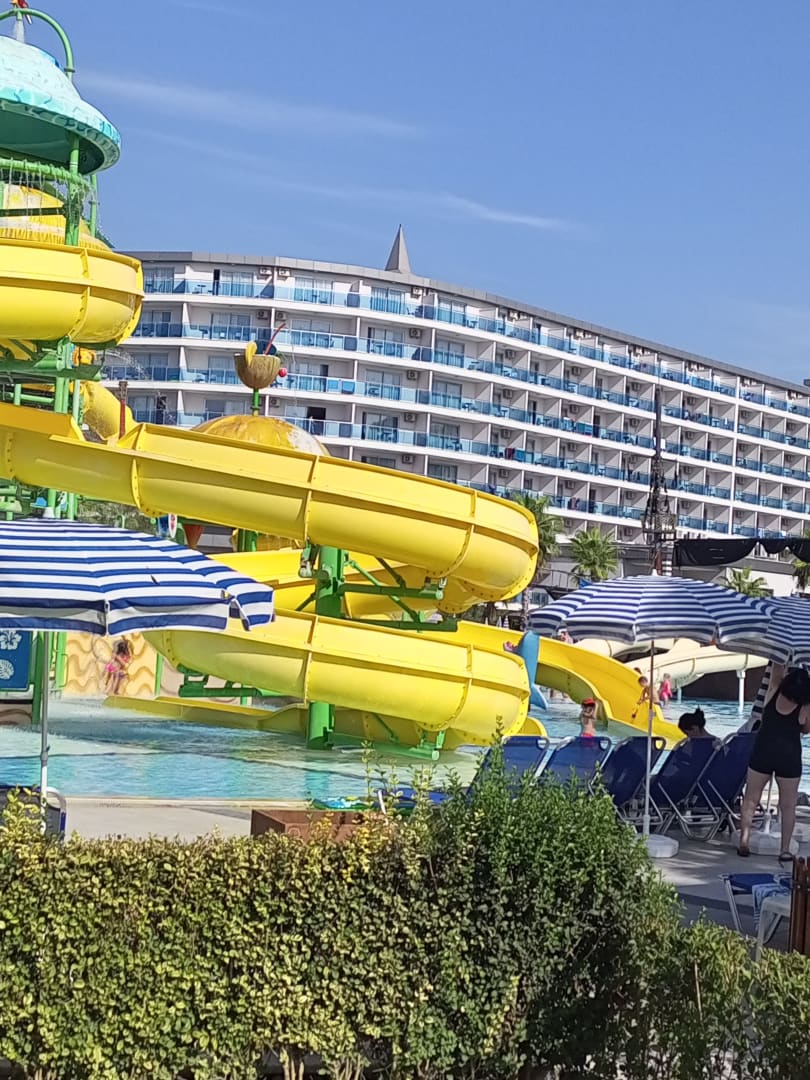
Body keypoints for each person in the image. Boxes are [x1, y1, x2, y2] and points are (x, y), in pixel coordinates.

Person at [737, 664, 810, 862]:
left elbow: (777, 668)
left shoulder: (773, 690)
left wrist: (781, 659)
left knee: (751, 798)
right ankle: (785, 849)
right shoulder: (805, 706)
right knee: (788, 805)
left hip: (763, 751)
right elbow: (806, 729)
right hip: (789, 756)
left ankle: (744, 841)